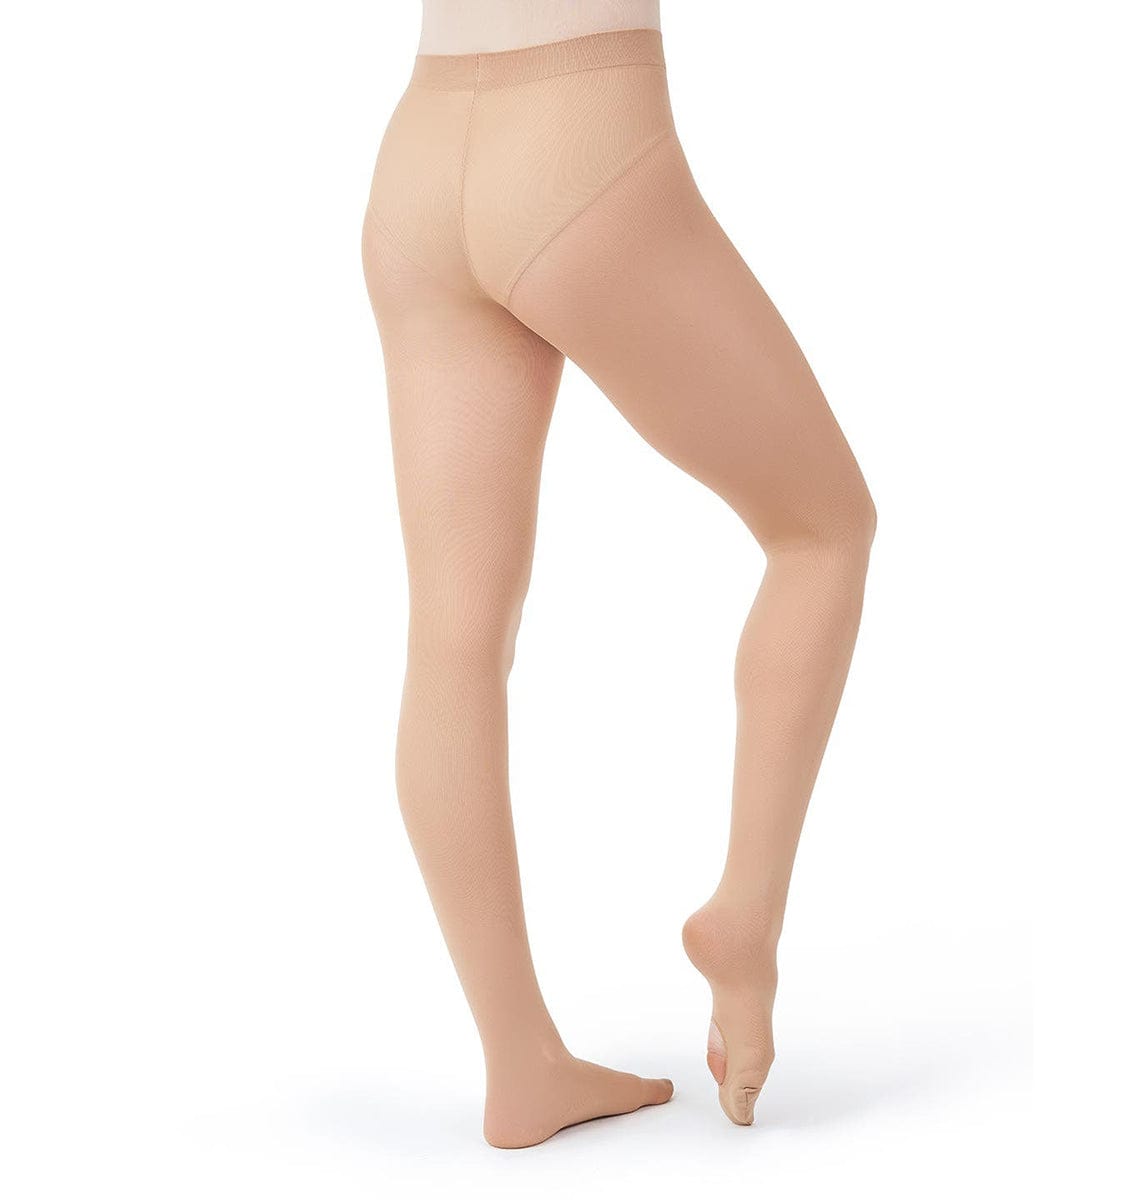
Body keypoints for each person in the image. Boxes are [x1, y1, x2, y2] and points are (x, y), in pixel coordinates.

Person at [362, 0, 876, 1149]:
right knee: (823, 530)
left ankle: (520, 1065)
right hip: (580, 141)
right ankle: (744, 922)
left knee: (452, 633)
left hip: (419, 155)